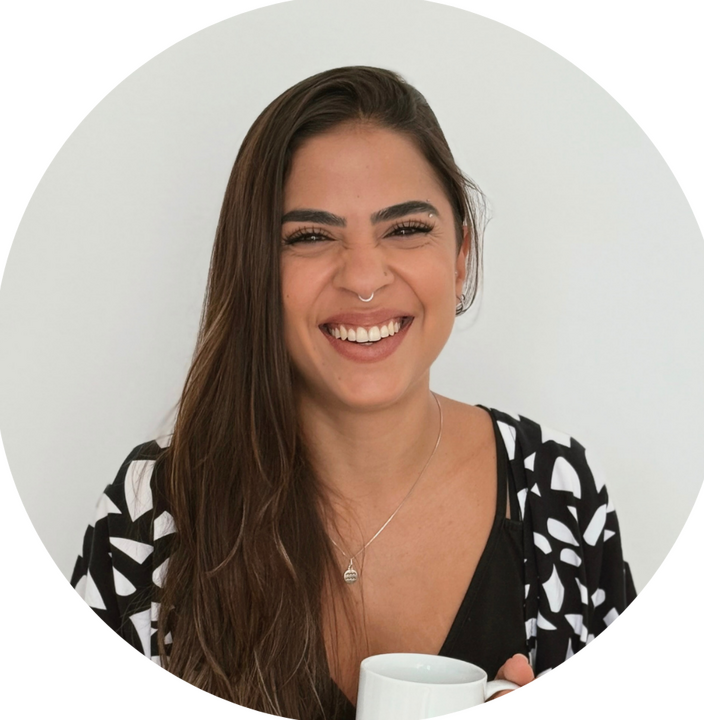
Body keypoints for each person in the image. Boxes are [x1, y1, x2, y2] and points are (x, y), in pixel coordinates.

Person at [69, 66, 637, 719]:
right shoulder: (153, 512)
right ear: (257, 270)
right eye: (311, 236)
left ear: (460, 257)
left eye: (406, 229)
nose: (364, 279)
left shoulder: (558, 493)